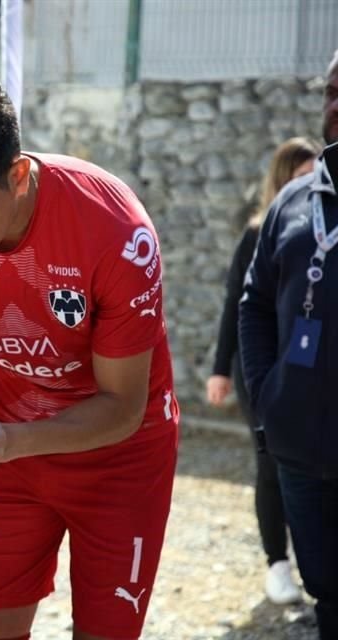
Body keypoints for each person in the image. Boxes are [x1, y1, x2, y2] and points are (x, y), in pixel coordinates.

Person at [0, 77, 179, 640]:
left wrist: (11, 441)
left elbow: (121, 406)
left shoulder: (115, 231)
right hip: (7, 445)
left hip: (119, 456)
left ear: (17, 176)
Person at [239, 50, 338, 640]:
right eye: (329, 91)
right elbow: (254, 303)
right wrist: (269, 401)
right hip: (300, 450)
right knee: (328, 594)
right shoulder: (293, 203)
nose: (335, 104)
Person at [206, 136, 319, 605]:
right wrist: (220, 370)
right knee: (271, 465)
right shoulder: (259, 233)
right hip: (263, 370)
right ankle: (277, 564)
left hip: (308, 369)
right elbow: (238, 303)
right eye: (301, 178)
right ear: (282, 181)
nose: (312, 186)